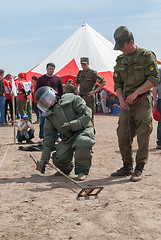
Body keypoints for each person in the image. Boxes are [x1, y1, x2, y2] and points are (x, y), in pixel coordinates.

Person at [111, 26, 159, 182]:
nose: (120, 50)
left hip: (142, 101)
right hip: (125, 103)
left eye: (122, 47)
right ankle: (127, 166)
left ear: (130, 41)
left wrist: (136, 93)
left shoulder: (146, 56)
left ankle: (139, 167)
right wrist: (121, 100)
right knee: (123, 134)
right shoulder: (120, 60)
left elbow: (153, 79)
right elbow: (117, 83)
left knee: (144, 133)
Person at [35, 86, 96, 181]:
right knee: (59, 159)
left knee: (83, 142)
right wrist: (44, 158)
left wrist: (72, 125)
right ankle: (66, 169)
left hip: (84, 130)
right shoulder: (49, 116)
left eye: (46, 99)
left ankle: (82, 171)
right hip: (68, 138)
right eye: (43, 102)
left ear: (53, 94)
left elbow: (86, 115)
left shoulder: (73, 99)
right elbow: (49, 137)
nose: (47, 103)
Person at [36, 63, 63, 141]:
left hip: (55, 102)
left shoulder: (57, 79)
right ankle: (42, 136)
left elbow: (61, 91)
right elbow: (37, 91)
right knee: (42, 120)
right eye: (50, 68)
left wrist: (59, 99)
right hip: (43, 103)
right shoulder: (41, 79)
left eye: (52, 69)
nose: (51, 70)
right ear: (46, 69)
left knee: (56, 120)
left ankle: (57, 136)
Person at [75, 57, 106, 123]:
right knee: (80, 115)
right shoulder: (80, 73)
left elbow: (103, 83)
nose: (83, 66)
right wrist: (77, 90)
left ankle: (90, 131)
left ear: (88, 64)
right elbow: (77, 83)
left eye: (85, 64)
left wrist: (94, 91)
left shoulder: (93, 73)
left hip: (89, 98)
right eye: (82, 64)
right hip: (81, 97)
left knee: (90, 116)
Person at [152, 68, 161, 149]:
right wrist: (155, 100)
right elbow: (155, 87)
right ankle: (160, 142)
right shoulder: (159, 71)